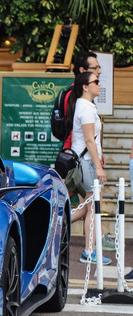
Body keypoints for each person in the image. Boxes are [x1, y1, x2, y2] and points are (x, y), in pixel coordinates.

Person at [67, 71, 111, 265]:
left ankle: (57, 223)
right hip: (86, 162)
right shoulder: (85, 107)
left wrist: (99, 156)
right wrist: (98, 166)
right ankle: (88, 251)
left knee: (88, 206)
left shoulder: (86, 106)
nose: (99, 85)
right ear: (85, 86)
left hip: (87, 160)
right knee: (92, 207)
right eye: (96, 81)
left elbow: (91, 139)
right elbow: (87, 140)